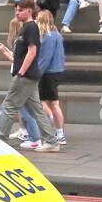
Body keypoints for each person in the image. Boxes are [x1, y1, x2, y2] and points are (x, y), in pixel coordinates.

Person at [0, 0, 59, 151]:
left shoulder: (31, 28)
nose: (17, 12)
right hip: (29, 76)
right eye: (16, 10)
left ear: (29, 11)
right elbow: (24, 54)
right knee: (36, 110)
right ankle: (52, 141)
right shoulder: (27, 27)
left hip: (25, 76)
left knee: (9, 107)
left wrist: (21, 72)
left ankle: (0, 141)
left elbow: (32, 51)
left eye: (20, 10)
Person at [34, 8, 67, 146]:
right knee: (54, 102)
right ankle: (60, 133)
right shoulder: (57, 35)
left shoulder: (46, 36)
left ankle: (53, 123)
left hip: (47, 73)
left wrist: (36, 73)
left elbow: (44, 59)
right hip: (58, 71)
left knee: (42, 101)